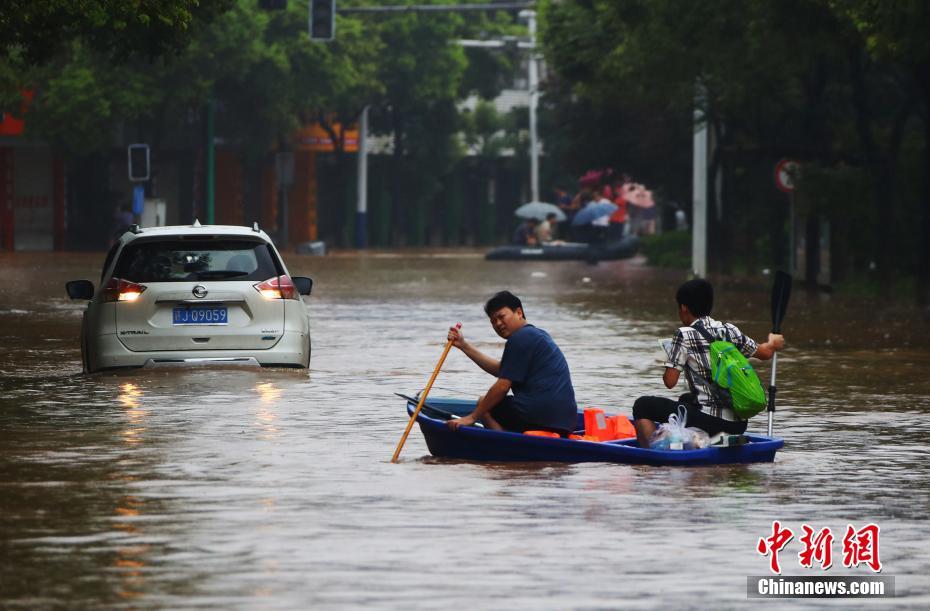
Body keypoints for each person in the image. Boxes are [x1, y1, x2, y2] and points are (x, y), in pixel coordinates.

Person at [631, 279, 785, 447]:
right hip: (738, 424)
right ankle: (698, 441)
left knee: (642, 405)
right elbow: (765, 352)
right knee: (686, 399)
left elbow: (670, 382)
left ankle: (652, 455)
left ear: (683, 308)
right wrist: (773, 341)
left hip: (710, 422)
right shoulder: (728, 329)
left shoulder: (683, 334)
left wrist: (669, 361)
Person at [445, 291, 578, 435]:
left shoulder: (520, 338)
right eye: (493, 321)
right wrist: (464, 345)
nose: (498, 324)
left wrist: (472, 417)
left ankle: (505, 446)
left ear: (519, 313)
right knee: (488, 404)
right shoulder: (536, 335)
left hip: (540, 414)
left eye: (501, 317)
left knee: (484, 404)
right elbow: (501, 370)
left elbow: (502, 387)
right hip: (566, 420)